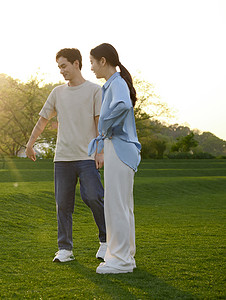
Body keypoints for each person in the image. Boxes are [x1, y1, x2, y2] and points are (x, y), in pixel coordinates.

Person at [26, 48, 107, 262]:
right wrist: (30, 143)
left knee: (93, 196)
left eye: (64, 66)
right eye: (59, 67)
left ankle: (106, 241)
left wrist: (100, 151)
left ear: (77, 64)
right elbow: (43, 120)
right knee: (63, 204)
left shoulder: (94, 91)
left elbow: (99, 122)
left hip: (87, 157)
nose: (61, 71)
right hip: (62, 158)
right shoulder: (57, 92)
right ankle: (65, 249)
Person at [88, 43, 141, 274]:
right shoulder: (113, 84)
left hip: (119, 149)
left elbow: (123, 105)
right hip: (119, 149)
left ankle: (119, 261)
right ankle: (126, 256)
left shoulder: (116, 83)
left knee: (116, 206)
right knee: (122, 206)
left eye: (92, 62)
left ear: (103, 61)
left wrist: (105, 126)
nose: (91, 67)